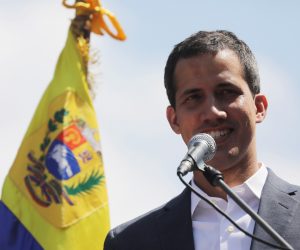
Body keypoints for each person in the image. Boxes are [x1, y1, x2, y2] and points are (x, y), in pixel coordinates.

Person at [104, 30, 300, 250]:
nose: (212, 112)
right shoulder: (131, 242)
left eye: (227, 92)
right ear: (174, 120)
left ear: (259, 107)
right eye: (194, 98)